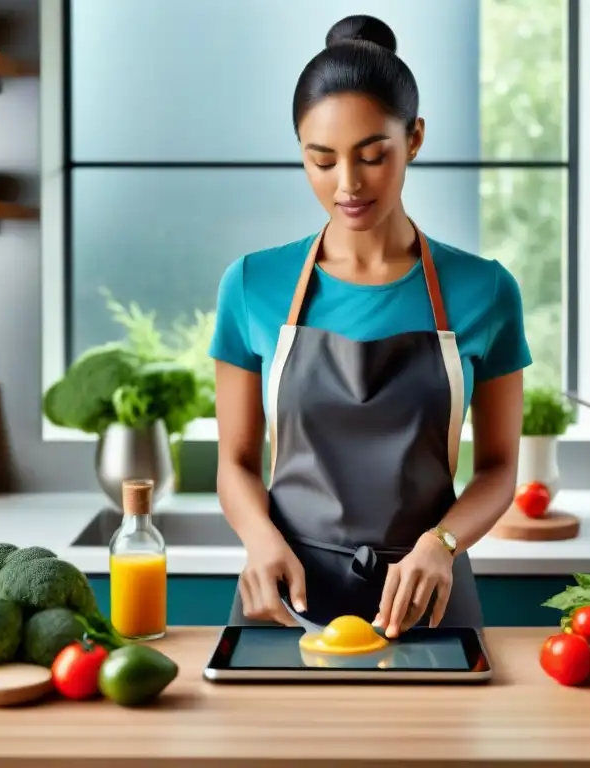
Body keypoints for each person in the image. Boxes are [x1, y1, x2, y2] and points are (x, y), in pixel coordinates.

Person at [208, 14, 531, 639]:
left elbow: (498, 470)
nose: (347, 185)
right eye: (321, 160)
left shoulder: (486, 291)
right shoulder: (251, 284)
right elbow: (236, 462)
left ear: (413, 139)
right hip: (283, 596)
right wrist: (257, 538)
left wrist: (441, 542)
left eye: (372, 155)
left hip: (427, 599)